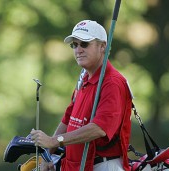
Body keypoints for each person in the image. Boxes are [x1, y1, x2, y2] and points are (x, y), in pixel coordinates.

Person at [30, 20, 133, 171]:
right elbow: (67, 119)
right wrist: (47, 155)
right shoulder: (84, 78)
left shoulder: (113, 83)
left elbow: (98, 128)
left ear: (102, 46)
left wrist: (54, 141)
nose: (78, 50)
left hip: (103, 165)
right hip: (79, 165)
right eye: (74, 45)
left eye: (84, 44)